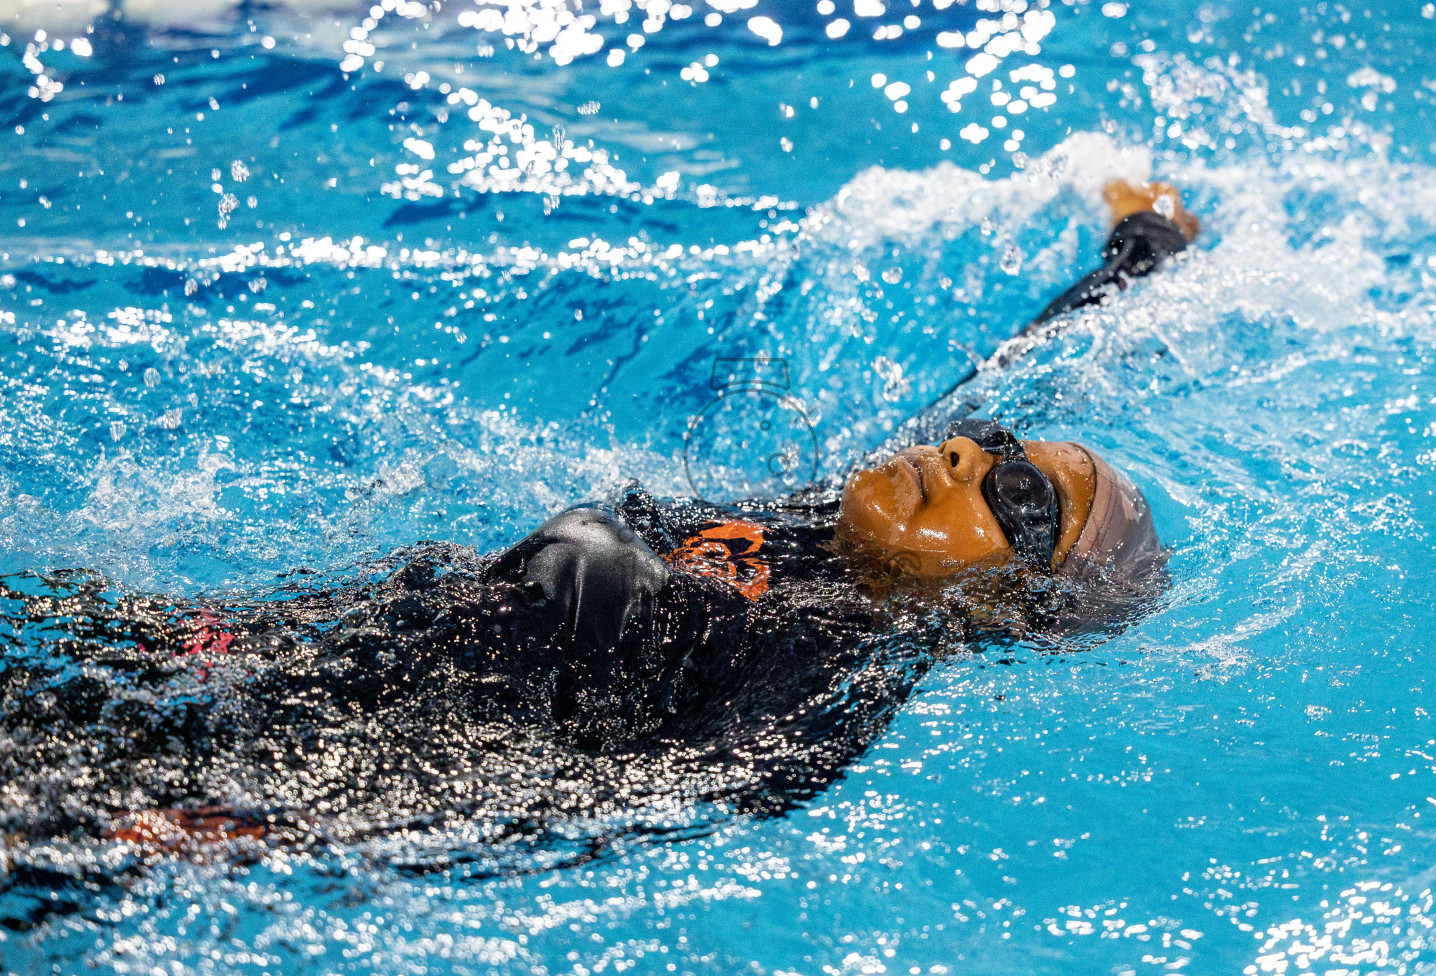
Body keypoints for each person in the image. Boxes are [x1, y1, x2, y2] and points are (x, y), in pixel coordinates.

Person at [0, 180, 1199, 856]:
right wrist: (1140, 250)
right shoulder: (821, 517)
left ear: (1007, 602)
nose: (962, 453)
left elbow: (593, 799)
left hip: (315, 746)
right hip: (298, 640)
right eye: (981, 449)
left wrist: (275, 821)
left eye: (1019, 492)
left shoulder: (826, 683)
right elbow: (1019, 374)